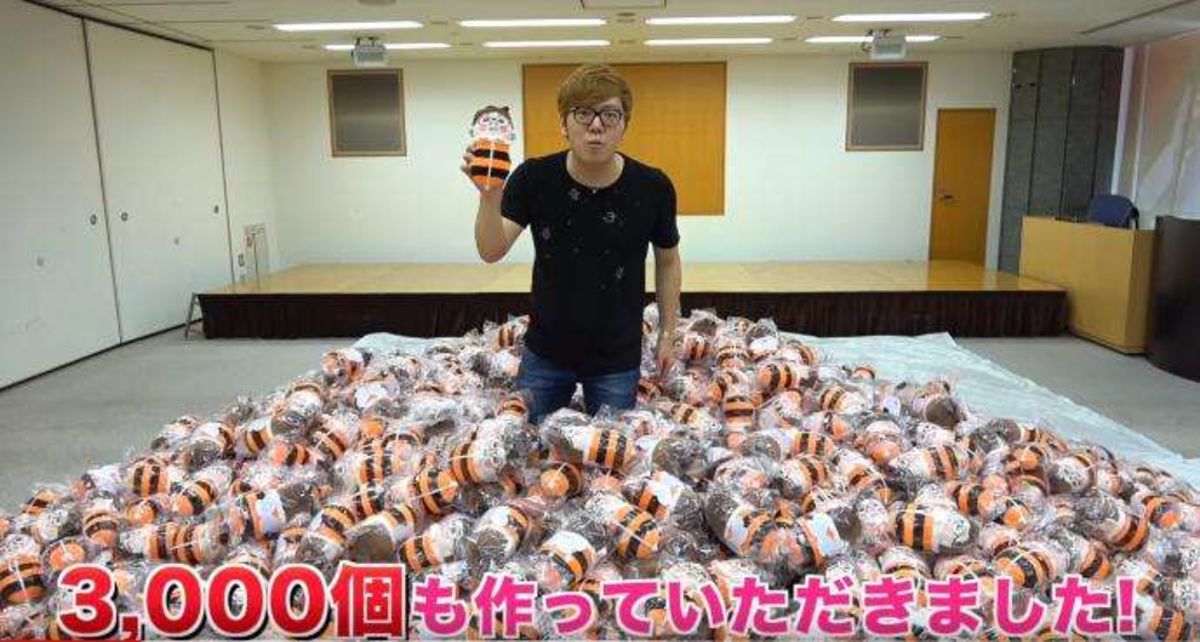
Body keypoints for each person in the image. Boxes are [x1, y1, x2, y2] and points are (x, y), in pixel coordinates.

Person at [462, 63, 683, 423]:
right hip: (546, 353)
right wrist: (490, 195)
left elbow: (668, 261)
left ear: (624, 125)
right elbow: (491, 250)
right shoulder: (534, 178)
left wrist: (667, 334)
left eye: (610, 114)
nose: (596, 125)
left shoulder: (653, 186)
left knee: (611, 451)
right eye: (582, 113)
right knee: (529, 443)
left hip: (617, 357)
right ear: (564, 124)